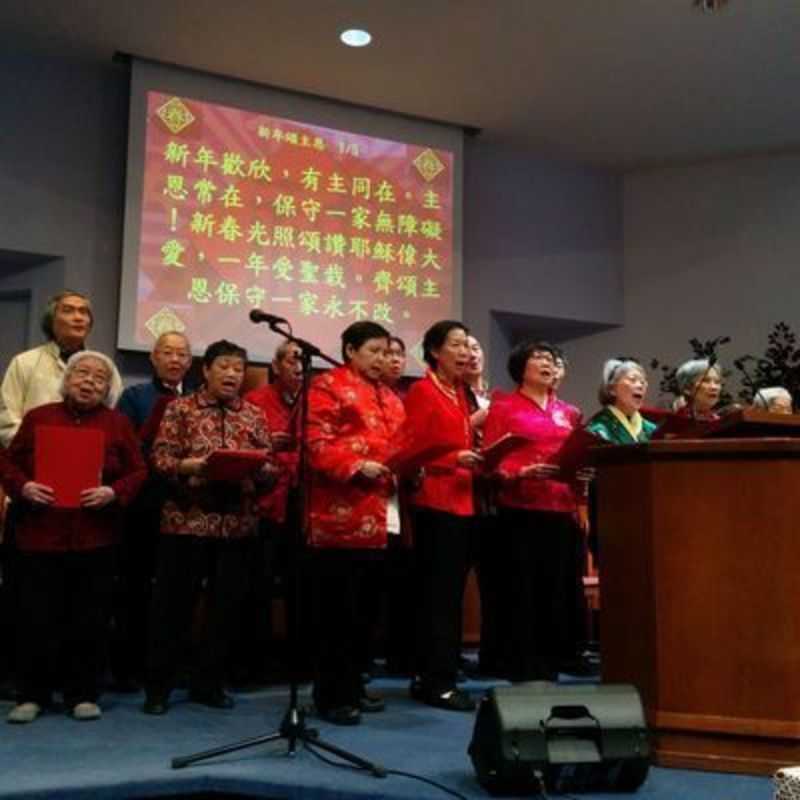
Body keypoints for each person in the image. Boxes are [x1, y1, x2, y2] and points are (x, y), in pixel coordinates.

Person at [1, 352, 146, 723]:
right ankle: (32, 695)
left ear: (108, 388)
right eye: (82, 373)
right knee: (36, 617)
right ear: (67, 379)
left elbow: (138, 471)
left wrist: (113, 493)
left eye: (99, 378)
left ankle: (82, 694)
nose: (89, 382)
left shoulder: (116, 423)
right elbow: (8, 463)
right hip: (40, 533)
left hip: (95, 537)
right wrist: (24, 486)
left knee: (90, 619)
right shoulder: (39, 417)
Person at [143, 340, 275, 715]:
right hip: (186, 522)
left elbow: (270, 466)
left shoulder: (253, 414)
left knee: (225, 610)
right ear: (206, 370)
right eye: (224, 367)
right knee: (172, 608)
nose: (232, 374)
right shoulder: (179, 409)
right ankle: (160, 687)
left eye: (238, 368)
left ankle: (209, 683)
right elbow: (161, 458)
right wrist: (194, 466)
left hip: (236, 526)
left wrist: (256, 468)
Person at [305, 321, 405, 725]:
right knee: (337, 611)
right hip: (341, 515)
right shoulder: (327, 386)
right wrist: (354, 464)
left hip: (385, 515)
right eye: (374, 351)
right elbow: (315, 444)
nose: (383, 359)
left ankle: (353, 684)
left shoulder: (393, 398)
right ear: (350, 350)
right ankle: (330, 694)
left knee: (367, 610)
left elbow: (404, 445)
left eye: (387, 352)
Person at [483, 341, 583, 682]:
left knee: (555, 587)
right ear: (520, 368)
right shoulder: (504, 407)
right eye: (539, 358)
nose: (548, 363)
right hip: (520, 508)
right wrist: (517, 474)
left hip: (561, 506)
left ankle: (553, 658)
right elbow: (488, 461)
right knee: (521, 588)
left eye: (552, 359)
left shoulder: (568, 411)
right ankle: (521, 661)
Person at [401, 320, 481, 711]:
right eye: (456, 345)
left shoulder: (460, 393)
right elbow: (412, 450)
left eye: (468, 345)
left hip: (463, 502)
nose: (466, 352)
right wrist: (454, 459)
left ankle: (436, 674)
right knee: (438, 598)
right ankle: (436, 681)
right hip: (434, 503)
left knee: (450, 597)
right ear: (435, 352)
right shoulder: (421, 391)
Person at [110, 332, 194, 691]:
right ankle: (129, 668)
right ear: (153, 358)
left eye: (182, 354)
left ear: (190, 362)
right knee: (136, 586)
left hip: (186, 506)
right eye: (167, 353)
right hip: (143, 504)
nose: (175, 360)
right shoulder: (135, 397)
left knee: (176, 591)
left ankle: (170, 666)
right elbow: (121, 449)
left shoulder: (196, 398)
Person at [239, 340, 303, 685]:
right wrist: (267, 447)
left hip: (302, 504)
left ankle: (297, 662)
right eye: (292, 361)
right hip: (264, 504)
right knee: (258, 586)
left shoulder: (312, 402)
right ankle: (254, 664)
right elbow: (240, 449)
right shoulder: (255, 400)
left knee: (301, 586)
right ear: (276, 366)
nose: (298, 368)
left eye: (303, 362)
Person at [0, 291, 122, 446]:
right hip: (33, 456)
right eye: (68, 310)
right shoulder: (24, 362)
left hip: (89, 456)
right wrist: (36, 450)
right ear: (51, 321)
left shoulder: (106, 367)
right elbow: (7, 419)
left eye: (83, 312)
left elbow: (113, 416)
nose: (78, 317)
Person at [586, 359, 657, 443]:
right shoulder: (598, 429)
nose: (640, 386)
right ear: (612, 389)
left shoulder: (652, 429)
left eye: (642, 382)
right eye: (632, 380)